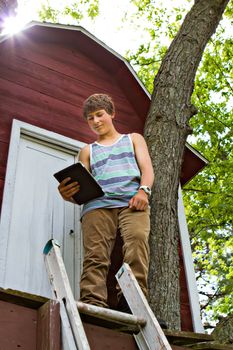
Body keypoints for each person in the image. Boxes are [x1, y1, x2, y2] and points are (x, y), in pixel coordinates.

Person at [58, 93, 154, 311]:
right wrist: (68, 194)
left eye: (99, 115)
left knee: (137, 245)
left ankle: (132, 302)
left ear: (111, 113)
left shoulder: (133, 139)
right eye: (90, 118)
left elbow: (147, 169)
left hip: (132, 201)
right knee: (95, 255)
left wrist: (144, 191)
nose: (96, 121)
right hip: (97, 206)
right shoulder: (87, 150)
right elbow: (82, 188)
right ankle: (92, 301)